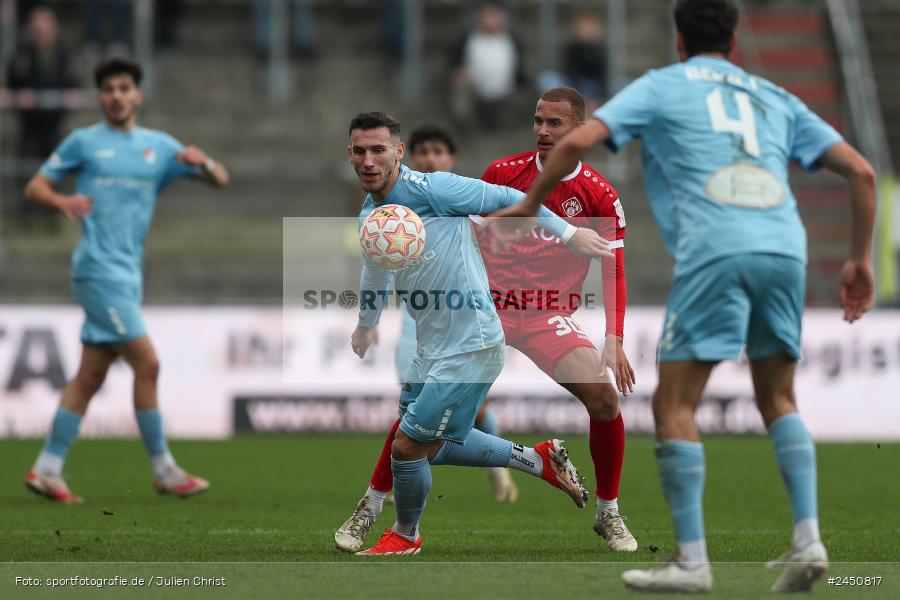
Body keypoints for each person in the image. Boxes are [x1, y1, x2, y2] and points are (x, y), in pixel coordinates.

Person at [492, 0, 876, 593]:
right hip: (785, 250)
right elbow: (862, 172)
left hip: (715, 251)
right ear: (736, 41)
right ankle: (809, 539)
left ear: (678, 41)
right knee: (779, 398)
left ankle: (691, 562)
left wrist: (528, 202)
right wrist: (859, 258)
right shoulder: (773, 96)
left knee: (673, 407)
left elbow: (575, 148)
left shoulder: (662, 87)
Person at [335, 91, 639, 554]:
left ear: (579, 130)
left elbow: (613, 267)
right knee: (420, 431)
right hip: (485, 305)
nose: (542, 130)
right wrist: (369, 319)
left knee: (601, 394)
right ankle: (375, 508)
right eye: (537, 120)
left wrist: (613, 335)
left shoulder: (599, 195)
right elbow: (456, 234)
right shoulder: (500, 170)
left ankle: (609, 513)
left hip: (541, 312)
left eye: (554, 123)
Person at [22, 58, 231, 504]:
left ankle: (47, 468)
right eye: (108, 89)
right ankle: (164, 469)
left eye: (124, 88)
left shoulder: (157, 147)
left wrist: (206, 161)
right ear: (100, 98)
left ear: (137, 95)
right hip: (97, 271)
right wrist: (62, 201)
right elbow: (33, 187)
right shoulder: (84, 142)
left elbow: (220, 180)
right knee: (148, 364)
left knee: (90, 375)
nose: (116, 96)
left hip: (127, 275)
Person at [6, 6, 78, 230]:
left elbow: (73, 81)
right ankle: (26, 215)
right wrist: (21, 95)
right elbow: (13, 80)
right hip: (30, 121)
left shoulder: (64, 52)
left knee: (54, 168)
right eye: (37, 26)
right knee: (28, 166)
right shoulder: (23, 52)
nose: (41, 31)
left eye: (45, 25)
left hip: (54, 120)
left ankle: (52, 215)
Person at [449, 3, 526, 131]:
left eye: (494, 17)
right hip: (475, 91)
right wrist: (459, 74)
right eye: (488, 16)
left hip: (506, 93)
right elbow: (454, 64)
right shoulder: (467, 40)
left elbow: (521, 68)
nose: (491, 21)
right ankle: (469, 131)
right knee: (460, 95)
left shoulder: (513, 40)